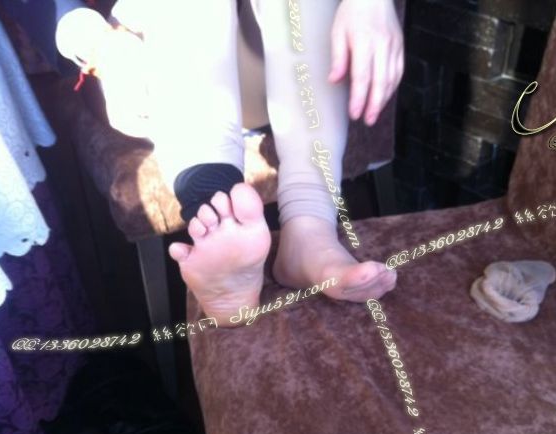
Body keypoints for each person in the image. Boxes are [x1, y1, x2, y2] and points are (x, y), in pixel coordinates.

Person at [55, 0, 404, 326]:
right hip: (152, 71)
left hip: (278, 63)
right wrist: (98, 43)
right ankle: (216, 215)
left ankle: (308, 233)